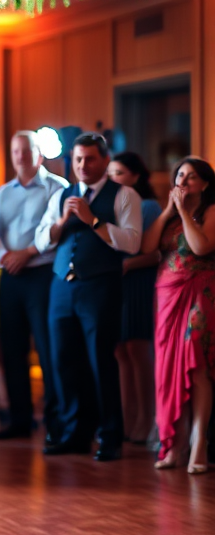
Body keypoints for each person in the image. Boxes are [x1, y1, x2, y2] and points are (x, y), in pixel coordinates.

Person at [34, 132, 142, 461]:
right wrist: (64, 222)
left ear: (105, 160)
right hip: (61, 288)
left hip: (100, 286)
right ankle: (73, 435)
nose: (82, 165)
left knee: (100, 361)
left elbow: (133, 243)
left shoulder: (125, 196)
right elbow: (41, 241)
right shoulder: (62, 195)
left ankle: (110, 436)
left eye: (90, 158)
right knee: (63, 361)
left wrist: (93, 221)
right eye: (78, 159)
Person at [0, 132, 68, 440]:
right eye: (15, 151)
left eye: (26, 150)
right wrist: (5, 256)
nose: (20, 156)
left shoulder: (57, 188)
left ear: (39, 154)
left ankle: (56, 422)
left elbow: (56, 232)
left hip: (42, 274)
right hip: (10, 275)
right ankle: (20, 420)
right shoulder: (3, 192)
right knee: (12, 349)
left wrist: (27, 254)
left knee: (48, 350)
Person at [146, 156, 215, 473]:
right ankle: (173, 445)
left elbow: (200, 247)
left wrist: (185, 213)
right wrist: (167, 213)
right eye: (180, 176)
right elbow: (148, 249)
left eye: (190, 177)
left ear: (204, 184)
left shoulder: (210, 212)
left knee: (195, 366)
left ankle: (198, 447)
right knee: (168, 370)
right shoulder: (170, 216)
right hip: (167, 298)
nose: (183, 182)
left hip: (198, 294)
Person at [108, 152, 161, 445]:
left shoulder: (149, 206)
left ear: (136, 177)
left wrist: (127, 264)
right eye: (112, 173)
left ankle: (147, 417)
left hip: (138, 281)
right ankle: (127, 418)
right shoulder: (110, 203)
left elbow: (153, 252)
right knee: (120, 352)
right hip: (115, 283)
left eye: (120, 173)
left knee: (139, 351)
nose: (114, 178)